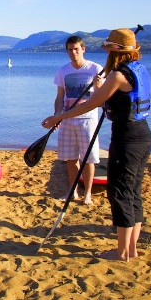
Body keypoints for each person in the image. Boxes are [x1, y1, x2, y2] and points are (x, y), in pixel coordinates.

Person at [42, 28, 151, 262]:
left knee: (120, 192)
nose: (107, 55)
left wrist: (58, 117)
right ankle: (132, 248)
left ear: (115, 51)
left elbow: (92, 103)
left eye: (109, 50)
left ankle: (122, 252)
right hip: (143, 136)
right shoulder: (139, 69)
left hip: (127, 137)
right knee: (133, 192)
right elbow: (111, 99)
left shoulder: (119, 75)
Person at [52, 35, 104, 205]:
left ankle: (88, 193)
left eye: (76, 49)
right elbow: (60, 97)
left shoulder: (95, 68)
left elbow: (102, 97)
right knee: (71, 158)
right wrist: (57, 115)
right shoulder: (63, 71)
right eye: (70, 49)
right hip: (67, 119)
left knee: (88, 158)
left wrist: (98, 86)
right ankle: (73, 191)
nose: (73, 52)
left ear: (83, 49)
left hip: (87, 120)